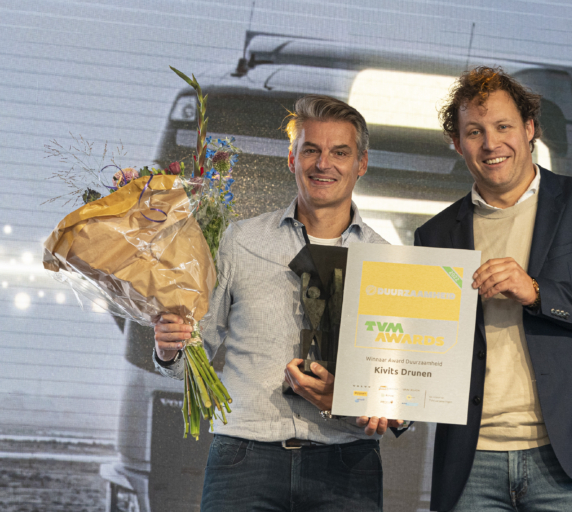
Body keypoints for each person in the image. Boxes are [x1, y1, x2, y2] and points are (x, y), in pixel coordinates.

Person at [414, 67, 572, 511]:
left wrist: (539, 292)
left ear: (529, 129)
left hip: (569, 458)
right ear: (457, 143)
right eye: (474, 132)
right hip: (471, 462)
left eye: (503, 126)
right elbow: (423, 348)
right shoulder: (434, 234)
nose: (491, 144)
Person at [153, 94, 404, 512]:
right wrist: (169, 349)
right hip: (244, 457)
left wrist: (394, 407)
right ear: (291, 158)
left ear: (361, 163)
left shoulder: (390, 261)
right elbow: (194, 357)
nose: (323, 164)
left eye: (340, 153)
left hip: (346, 460)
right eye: (311, 150)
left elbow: (405, 381)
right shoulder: (239, 240)